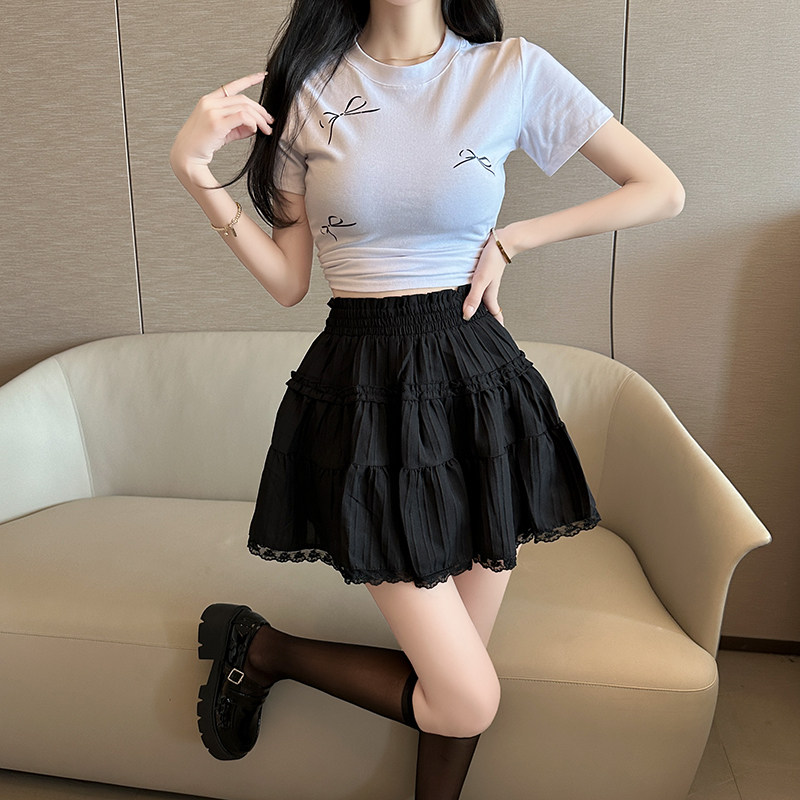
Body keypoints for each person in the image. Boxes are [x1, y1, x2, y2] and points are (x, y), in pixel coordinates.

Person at [169, 0, 684, 796]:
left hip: (481, 390)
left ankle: (263, 653)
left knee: (456, 685)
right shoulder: (305, 89)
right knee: (467, 696)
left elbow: (660, 189)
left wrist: (513, 239)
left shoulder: (510, 70)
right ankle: (263, 650)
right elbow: (288, 282)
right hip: (365, 392)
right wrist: (195, 173)